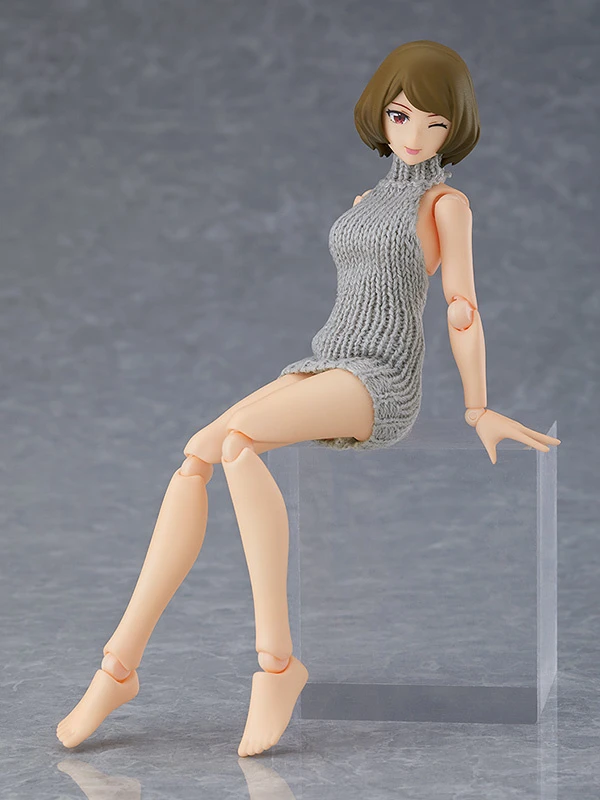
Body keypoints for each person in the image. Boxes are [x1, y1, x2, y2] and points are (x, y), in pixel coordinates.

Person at [56, 39, 560, 758]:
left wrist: (477, 407)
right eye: (402, 115)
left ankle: (277, 664)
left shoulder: (446, 204)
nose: (415, 135)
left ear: (455, 130)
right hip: (326, 361)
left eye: (435, 123)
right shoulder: (366, 202)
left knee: (240, 443)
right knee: (197, 455)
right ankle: (118, 667)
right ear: (381, 115)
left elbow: (461, 308)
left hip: (381, 380)